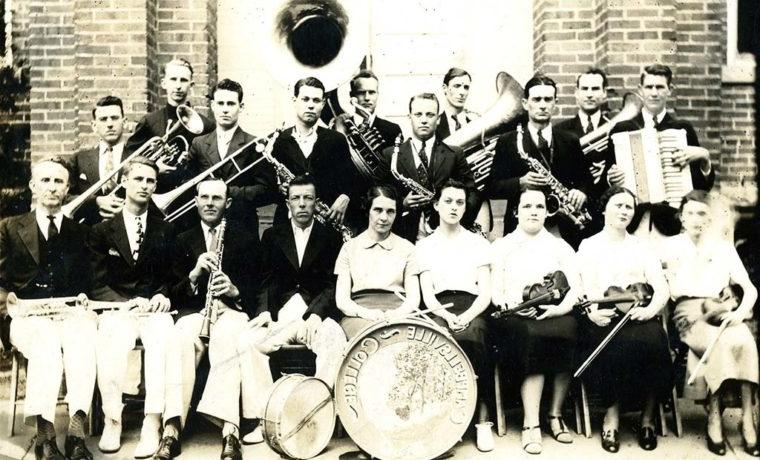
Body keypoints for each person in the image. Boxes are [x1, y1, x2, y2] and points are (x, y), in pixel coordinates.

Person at [236, 174, 347, 445]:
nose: (302, 204)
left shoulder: (331, 237)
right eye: (296, 198)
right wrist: (263, 311)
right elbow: (265, 280)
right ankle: (263, 419)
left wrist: (317, 314)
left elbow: (335, 285)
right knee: (249, 341)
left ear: (315, 202)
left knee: (336, 341)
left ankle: (316, 414)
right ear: (288, 202)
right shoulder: (273, 235)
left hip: (316, 314)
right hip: (282, 315)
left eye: (308, 198)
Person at [156, 178, 259, 460]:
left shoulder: (246, 238)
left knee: (229, 341)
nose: (210, 203)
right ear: (196, 201)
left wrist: (234, 290)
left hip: (230, 312)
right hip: (194, 313)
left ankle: (230, 432)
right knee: (178, 342)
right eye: (204, 197)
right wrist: (193, 275)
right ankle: (171, 430)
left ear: (227, 203)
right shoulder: (180, 238)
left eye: (217, 198)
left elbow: (258, 289)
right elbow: (171, 293)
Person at [0, 157, 95, 460]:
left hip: (65, 313)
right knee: (47, 346)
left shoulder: (78, 232)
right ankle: (46, 436)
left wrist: (83, 296)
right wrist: (6, 300)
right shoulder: (9, 228)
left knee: (84, 336)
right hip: (25, 316)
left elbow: (86, 282)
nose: (52, 187)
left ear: (67, 188)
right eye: (45, 181)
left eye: (59, 182)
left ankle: (77, 433)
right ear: (33, 186)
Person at [88, 157, 176, 458]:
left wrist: (163, 295)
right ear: (124, 182)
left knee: (164, 341)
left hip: (152, 308)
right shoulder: (102, 231)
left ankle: (152, 421)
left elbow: (169, 276)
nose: (145, 186)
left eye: (150, 181)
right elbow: (96, 281)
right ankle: (113, 419)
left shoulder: (164, 229)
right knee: (111, 342)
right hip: (118, 307)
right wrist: (124, 305)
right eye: (138, 179)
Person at [660, 190, 758, 457]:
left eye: (702, 213)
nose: (696, 219)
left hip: (720, 308)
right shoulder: (669, 246)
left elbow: (750, 289)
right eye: (690, 213)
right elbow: (659, 286)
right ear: (681, 218)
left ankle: (747, 417)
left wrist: (740, 312)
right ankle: (714, 415)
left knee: (746, 342)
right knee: (722, 345)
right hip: (688, 313)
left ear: (710, 217)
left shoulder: (723, 247)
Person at [576, 186, 673, 453]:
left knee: (656, 342)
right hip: (605, 316)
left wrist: (651, 310)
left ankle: (647, 419)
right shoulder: (589, 245)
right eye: (618, 205)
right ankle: (612, 418)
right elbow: (584, 288)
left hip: (640, 314)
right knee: (612, 346)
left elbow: (661, 287)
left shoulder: (642, 246)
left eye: (629, 207)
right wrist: (593, 313)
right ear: (604, 209)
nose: (624, 211)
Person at [490, 188, 581, 455]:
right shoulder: (502, 246)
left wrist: (559, 309)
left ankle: (554, 415)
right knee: (533, 337)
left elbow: (574, 287)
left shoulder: (559, 246)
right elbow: (496, 289)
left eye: (539, 207)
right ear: (516, 211)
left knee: (570, 329)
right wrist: (510, 305)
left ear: (547, 211)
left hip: (554, 313)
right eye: (527, 206)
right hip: (516, 316)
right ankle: (531, 423)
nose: (533, 211)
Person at [416, 179, 494, 452]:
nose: (454, 207)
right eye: (448, 201)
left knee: (474, 335)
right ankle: (444, 421)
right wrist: (447, 317)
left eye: (460, 202)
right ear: (436, 205)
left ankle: (482, 420)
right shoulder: (424, 246)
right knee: (439, 340)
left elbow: (485, 293)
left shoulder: (478, 243)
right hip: (439, 308)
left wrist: (468, 314)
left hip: (473, 305)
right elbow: (427, 295)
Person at [605, 64, 715, 236]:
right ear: (640, 90)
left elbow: (702, 188)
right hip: (632, 223)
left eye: (660, 87)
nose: (654, 93)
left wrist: (705, 158)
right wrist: (611, 178)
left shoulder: (682, 129)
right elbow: (607, 181)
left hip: (671, 223)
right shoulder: (622, 129)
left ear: (669, 90)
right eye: (649, 87)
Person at [487, 74, 595, 248]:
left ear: (555, 103)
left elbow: (587, 181)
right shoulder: (508, 141)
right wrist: (519, 183)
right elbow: (492, 187)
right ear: (525, 104)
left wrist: (581, 192)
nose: (542, 105)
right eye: (536, 99)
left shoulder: (570, 140)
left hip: (564, 227)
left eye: (548, 99)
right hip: (522, 229)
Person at [381, 92, 477, 242]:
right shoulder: (390, 155)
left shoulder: (455, 154)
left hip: (446, 237)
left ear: (438, 119)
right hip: (402, 236)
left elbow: (472, 194)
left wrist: (456, 223)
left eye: (430, 115)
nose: (424, 120)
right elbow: (378, 196)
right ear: (409, 117)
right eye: (418, 114)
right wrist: (402, 204)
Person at [185, 78, 273, 238]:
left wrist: (227, 192)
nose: (225, 109)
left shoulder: (254, 144)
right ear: (212, 106)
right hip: (205, 225)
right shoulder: (198, 143)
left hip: (242, 225)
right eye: (220, 103)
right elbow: (188, 182)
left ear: (241, 107)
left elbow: (265, 190)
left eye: (231, 104)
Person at [270, 77, 359, 231]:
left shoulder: (336, 139)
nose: (311, 105)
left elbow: (353, 180)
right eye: (305, 99)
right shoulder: (278, 141)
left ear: (323, 104)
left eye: (316, 100)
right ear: (294, 100)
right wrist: (278, 188)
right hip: (288, 223)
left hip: (327, 225)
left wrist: (346, 197)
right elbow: (267, 185)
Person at [334, 185, 420, 339]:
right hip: (359, 317)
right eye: (378, 210)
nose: (384, 218)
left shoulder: (408, 248)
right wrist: (369, 314)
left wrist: (395, 315)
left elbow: (414, 299)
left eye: (390, 211)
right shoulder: (349, 248)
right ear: (368, 210)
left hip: (399, 317)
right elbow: (342, 300)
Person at [125, 58, 215, 176]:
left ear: (191, 85)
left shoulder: (206, 125)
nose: (178, 86)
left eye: (183, 80)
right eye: (173, 79)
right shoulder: (149, 121)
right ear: (164, 83)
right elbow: (129, 160)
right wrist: (155, 168)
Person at [70, 95, 129, 225]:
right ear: (94, 125)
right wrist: (95, 201)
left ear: (124, 122)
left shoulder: (136, 156)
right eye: (103, 119)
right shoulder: (79, 159)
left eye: (114, 118)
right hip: (89, 232)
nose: (109, 124)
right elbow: (65, 197)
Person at [555, 67, 611, 185]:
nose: (589, 94)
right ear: (576, 92)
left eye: (595, 89)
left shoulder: (614, 129)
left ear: (604, 93)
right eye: (585, 89)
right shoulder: (559, 130)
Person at [436, 67, 479, 139]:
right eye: (457, 86)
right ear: (445, 88)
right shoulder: (434, 127)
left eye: (466, 87)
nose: (462, 92)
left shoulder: (476, 127)